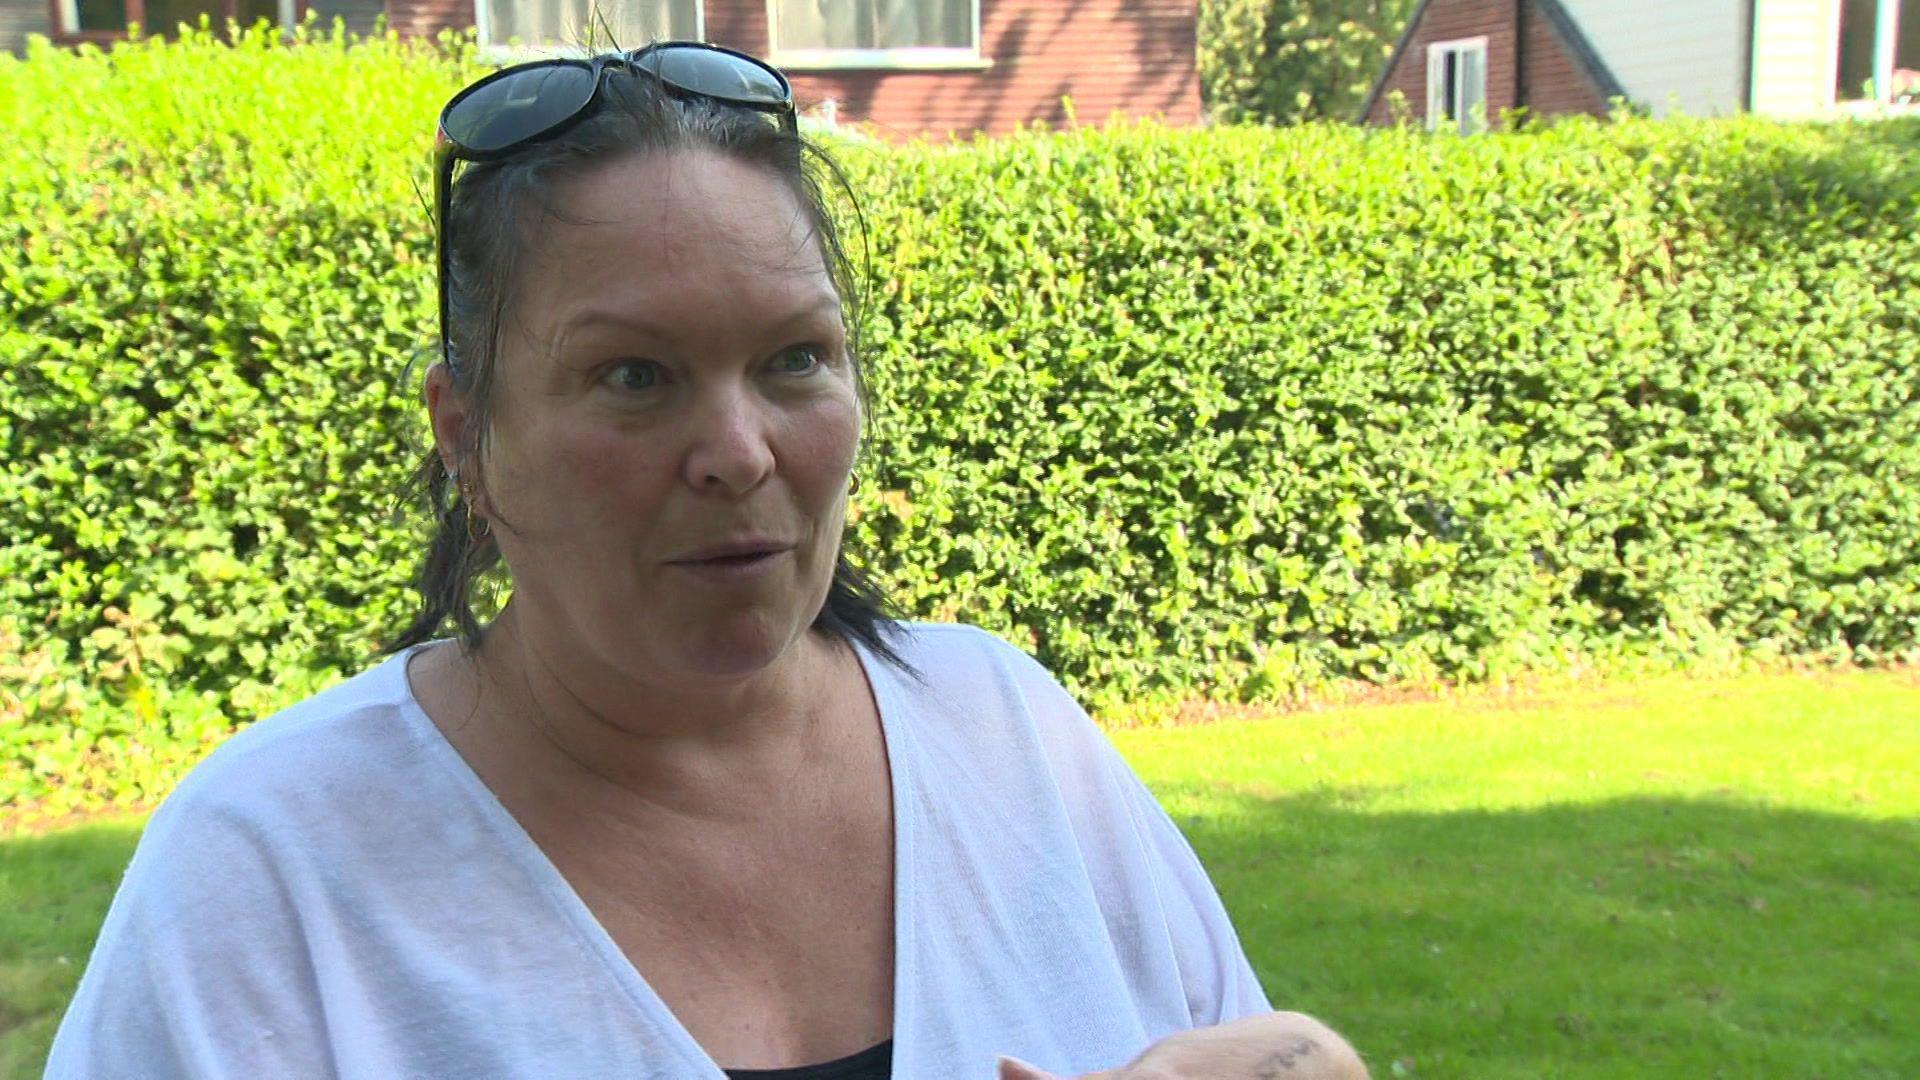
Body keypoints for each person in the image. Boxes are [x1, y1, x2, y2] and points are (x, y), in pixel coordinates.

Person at [45, 43, 1367, 1080]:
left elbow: (1250, 1044)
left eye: (795, 358)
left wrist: (1314, 1058)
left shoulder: (1013, 735)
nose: (738, 450)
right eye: (633, 374)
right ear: (470, 439)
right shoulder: (268, 872)